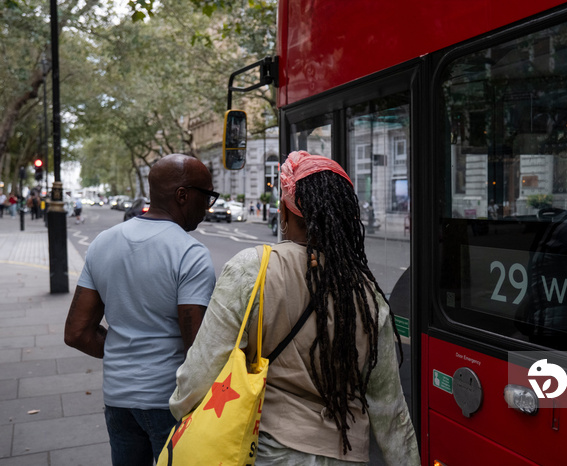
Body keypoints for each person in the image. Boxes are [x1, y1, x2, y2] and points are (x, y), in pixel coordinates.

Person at [170, 150, 419, 465]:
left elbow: (201, 372)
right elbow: (390, 410)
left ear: (284, 214)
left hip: (268, 453)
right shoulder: (367, 295)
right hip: (344, 455)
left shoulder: (253, 270)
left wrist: (181, 411)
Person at [64, 154, 217, 466]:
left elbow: (77, 332)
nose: (209, 206)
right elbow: (198, 349)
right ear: (183, 195)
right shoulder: (190, 253)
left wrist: (125, 354)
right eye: (207, 196)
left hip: (118, 399)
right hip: (168, 403)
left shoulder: (103, 242)